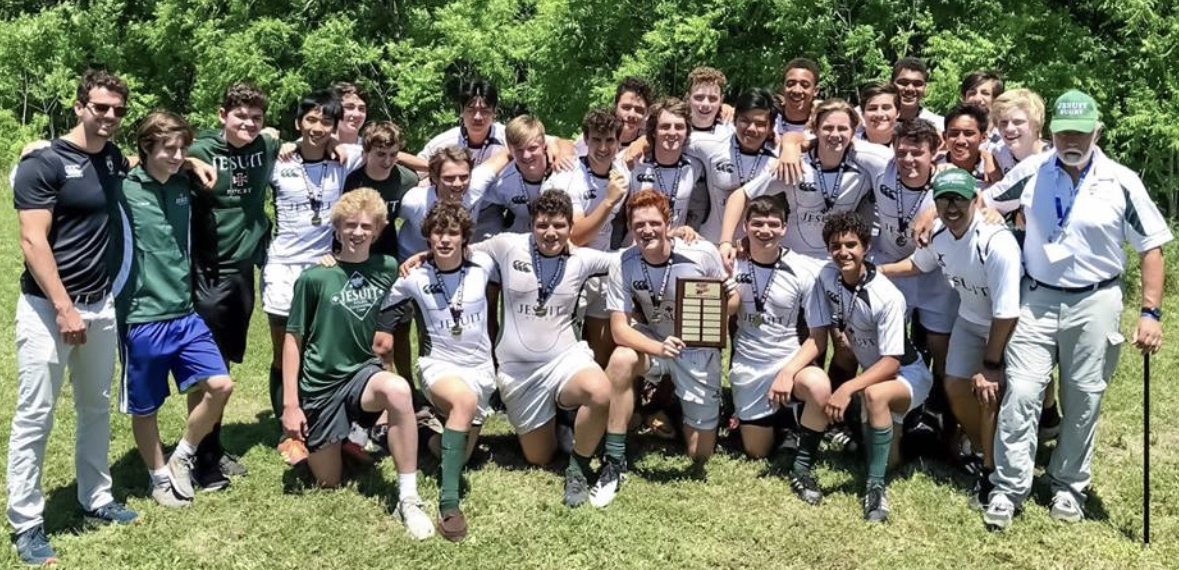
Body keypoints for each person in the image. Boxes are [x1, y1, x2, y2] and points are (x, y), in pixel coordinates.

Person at [980, 90, 1172, 530]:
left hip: (1096, 300)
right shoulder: (1033, 170)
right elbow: (985, 199)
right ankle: (1008, 487)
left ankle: (1068, 484)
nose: (1072, 140)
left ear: (1097, 133)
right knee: (1024, 392)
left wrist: (1150, 313)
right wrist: (971, 212)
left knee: (1083, 396)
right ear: (1051, 133)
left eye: (1081, 133)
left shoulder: (1121, 180)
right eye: (1064, 132)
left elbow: (1151, 247)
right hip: (1038, 297)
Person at [7, 69, 140, 565]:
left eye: (117, 110)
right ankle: (26, 522)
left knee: (96, 406)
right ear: (79, 105)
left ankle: (96, 497)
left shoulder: (109, 158)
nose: (109, 117)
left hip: (99, 302)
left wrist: (190, 157)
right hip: (48, 308)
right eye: (101, 107)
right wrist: (63, 308)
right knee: (36, 415)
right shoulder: (43, 162)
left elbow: (141, 157)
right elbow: (32, 241)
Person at [421, 189, 618, 508]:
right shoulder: (508, 244)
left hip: (565, 360)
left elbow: (629, 258)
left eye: (559, 225)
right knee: (539, 457)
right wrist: (425, 256)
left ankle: (578, 469)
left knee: (599, 391)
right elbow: (461, 250)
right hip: (519, 373)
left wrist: (681, 238)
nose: (550, 233)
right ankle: (563, 422)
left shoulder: (584, 259)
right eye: (542, 225)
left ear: (571, 226)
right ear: (532, 226)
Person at [281, 188, 435, 540]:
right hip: (321, 384)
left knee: (397, 389)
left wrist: (424, 255)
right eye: (349, 225)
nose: (357, 232)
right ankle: (344, 438)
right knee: (328, 482)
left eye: (366, 226)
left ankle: (408, 499)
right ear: (337, 228)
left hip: (362, 374)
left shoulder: (384, 268)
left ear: (378, 230)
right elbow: (293, 340)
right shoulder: (315, 277)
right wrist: (291, 403)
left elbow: (430, 264)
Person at [110, 111, 236, 508]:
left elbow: (225, 178)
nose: (178, 155)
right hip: (141, 316)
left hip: (184, 312)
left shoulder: (185, 181)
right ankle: (158, 477)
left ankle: (183, 454)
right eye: (169, 148)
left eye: (183, 147)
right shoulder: (122, 186)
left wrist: (194, 161)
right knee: (145, 406)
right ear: (146, 147)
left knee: (220, 386)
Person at [878, 168, 1022, 509]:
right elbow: (917, 264)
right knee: (956, 387)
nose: (951, 206)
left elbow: (1008, 313)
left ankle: (991, 472)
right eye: (944, 199)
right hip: (970, 319)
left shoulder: (995, 242)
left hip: (1005, 325)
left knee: (990, 392)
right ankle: (984, 449)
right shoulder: (940, 233)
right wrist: (875, 272)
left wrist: (991, 364)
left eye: (959, 198)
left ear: (975, 199)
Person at [603, 189, 734, 499]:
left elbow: (734, 304)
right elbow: (620, 329)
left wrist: (725, 298)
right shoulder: (624, 262)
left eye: (653, 223)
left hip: (696, 348)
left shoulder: (701, 252)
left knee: (699, 454)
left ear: (668, 222)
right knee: (622, 359)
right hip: (655, 341)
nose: (646, 230)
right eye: (639, 226)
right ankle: (614, 457)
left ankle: (663, 413)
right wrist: (658, 348)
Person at [378, 202, 496, 541]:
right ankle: (449, 503)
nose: (445, 239)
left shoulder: (482, 265)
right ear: (428, 236)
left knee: (459, 452)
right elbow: (384, 307)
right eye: (438, 232)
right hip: (439, 365)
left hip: (480, 368)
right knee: (463, 402)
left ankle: (421, 435)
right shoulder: (414, 277)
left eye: (453, 233)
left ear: (464, 238)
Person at [807, 211, 933, 522]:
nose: (843, 252)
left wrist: (848, 387)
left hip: (907, 374)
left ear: (866, 247)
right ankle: (906, 441)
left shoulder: (887, 296)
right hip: (876, 375)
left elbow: (891, 362)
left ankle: (875, 492)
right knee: (885, 457)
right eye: (836, 246)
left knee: (874, 395)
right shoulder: (827, 275)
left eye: (851, 244)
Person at [264, 90, 364, 464]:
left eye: (326, 122)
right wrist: (277, 138)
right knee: (283, 353)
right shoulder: (277, 160)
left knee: (320, 353)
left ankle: (328, 424)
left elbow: (392, 149)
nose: (318, 128)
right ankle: (288, 430)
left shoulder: (344, 159)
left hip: (323, 267)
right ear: (298, 123)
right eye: (311, 120)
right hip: (282, 267)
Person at [187, 82, 279, 488]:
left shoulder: (267, 145)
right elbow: (149, 152)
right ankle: (199, 459)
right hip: (209, 270)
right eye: (240, 116)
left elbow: (297, 137)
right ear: (222, 115)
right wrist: (189, 163)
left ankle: (212, 443)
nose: (249, 124)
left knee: (224, 362)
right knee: (208, 370)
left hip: (243, 271)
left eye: (256, 118)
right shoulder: (203, 149)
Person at [726, 196, 829, 505]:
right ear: (745, 226)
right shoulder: (732, 262)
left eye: (773, 224)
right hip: (748, 367)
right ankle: (785, 423)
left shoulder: (803, 269)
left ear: (785, 228)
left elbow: (817, 339)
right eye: (757, 223)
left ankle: (802, 464)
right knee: (757, 453)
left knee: (819, 385)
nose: (765, 230)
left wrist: (788, 371)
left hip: (788, 362)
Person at [719, 98, 891, 272]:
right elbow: (740, 196)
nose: (835, 134)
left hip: (834, 264)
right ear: (815, 129)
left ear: (853, 131)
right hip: (792, 262)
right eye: (828, 128)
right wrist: (726, 242)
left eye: (843, 129)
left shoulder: (864, 170)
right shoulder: (795, 165)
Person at [869, 119, 960, 431]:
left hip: (936, 278)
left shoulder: (948, 180)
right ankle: (882, 418)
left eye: (917, 153)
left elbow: (962, 182)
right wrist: (789, 144)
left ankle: (946, 425)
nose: (908, 160)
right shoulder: (880, 166)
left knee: (943, 354)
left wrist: (934, 205)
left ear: (935, 152)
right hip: (892, 271)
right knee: (884, 348)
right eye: (902, 152)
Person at [343, 121, 420, 382]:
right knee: (366, 326)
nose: (387, 161)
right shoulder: (354, 180)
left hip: (392, 259)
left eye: (393, 154)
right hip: (357, 260)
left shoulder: (406, 178)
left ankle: (407, 383)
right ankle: (368, 380)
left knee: (400, 325)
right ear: (366, 151)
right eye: (380, 154)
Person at [569, 109, 630, 367]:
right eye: (596, 139)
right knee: (570, 345)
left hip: (604, 267)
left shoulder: (622, 173)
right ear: (586, 140)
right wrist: (608, 201)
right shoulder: (570, 175)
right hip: (573, 267)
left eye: (609, 140)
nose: (603, 147)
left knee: (600, 348)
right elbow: (576, 235)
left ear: (618, 143)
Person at [468, 115, 588, 237]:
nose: (526, 155)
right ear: (510, 149)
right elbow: (473, 189)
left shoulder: (566, 172)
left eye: (532, 148)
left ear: (543, 145)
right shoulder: (502, 183)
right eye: (519, 150)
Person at [689, 88, 779, 243]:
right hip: (711, 243)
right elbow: (671, 138)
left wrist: (791, 144)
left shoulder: (780, 157)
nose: (751, 129)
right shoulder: (711, 145)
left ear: (770, 127)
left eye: (760, 124)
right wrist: (641, 143)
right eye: (745, 120)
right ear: (735, 119)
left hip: (754, 248)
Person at [628, 98, 707, 230]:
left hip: (676, 243)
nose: (672, 133)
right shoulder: (634, 163)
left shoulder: (696, 167)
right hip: (638, 243)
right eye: (665, 127)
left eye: (679, 127)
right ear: (653, 131)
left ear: (687, 132)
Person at [411, 79, 506, 169]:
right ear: (461, 111)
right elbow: (419, 168)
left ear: (494, 112)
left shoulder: (507, 138)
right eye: (471, 110)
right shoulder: (446, 141)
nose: (477, 117)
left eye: (484, 111)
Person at [986, 88, 1050, 176]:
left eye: (1018, 122)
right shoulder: (1000, 153)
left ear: (1036, 125)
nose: (1009, 128)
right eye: (1003, 122)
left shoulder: (1052, 159)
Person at [941, 103, 990, 184]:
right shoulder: (932, 170)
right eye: (954, 133)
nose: (960, 141)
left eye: (969, 134)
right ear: (944, 137)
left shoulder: (994, 170)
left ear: (983, 137)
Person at [685, 66, 734, 143]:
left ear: (721, 100)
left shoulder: (731, 132)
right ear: (688, 98)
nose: (706, 104)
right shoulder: (676, 129)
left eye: (712, 98)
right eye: (699, 97)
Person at [892, 57, 944, 130]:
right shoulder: (877, 123)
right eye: (903, 83)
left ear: (925, 88)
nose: (910, 89)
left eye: (917, 84)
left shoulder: (939, 125)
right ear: (891, 85)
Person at [775, 57, 821, 137]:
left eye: (804, 85)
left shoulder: (824, 127)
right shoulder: (769, 123)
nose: (797, 90)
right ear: (782, 88)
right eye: (791, 84)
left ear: (815, 91)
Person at [333, 81, 368, 145]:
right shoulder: (319, 146)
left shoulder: (372, 149)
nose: (357, 114)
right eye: (349, 107)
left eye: (361, 108)